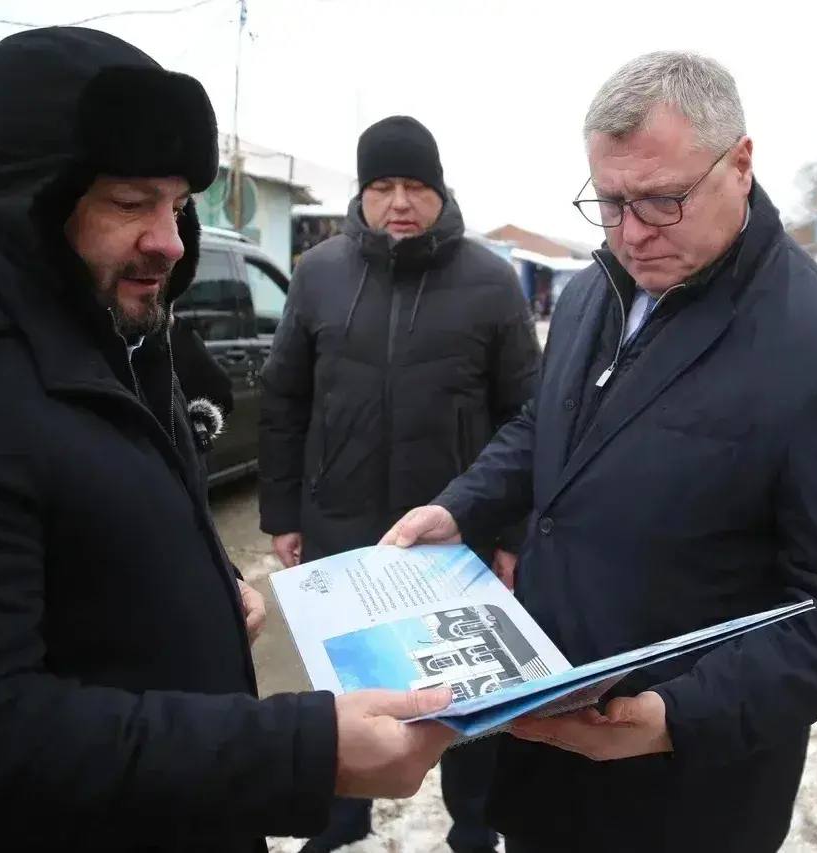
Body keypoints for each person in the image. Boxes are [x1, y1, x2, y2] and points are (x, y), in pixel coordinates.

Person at [379, 51, 817, 853]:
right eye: (610, 201)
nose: (631, 233)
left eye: (663, 200)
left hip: (685, 795)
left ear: (740, 163)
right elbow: (548, 426)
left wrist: (678, 716)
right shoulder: (592, 291)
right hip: (544, 755)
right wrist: (462, 507)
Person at [0, 28, 454, 853]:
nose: (172, 241)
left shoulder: (109, 321)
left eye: (179, 203)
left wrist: (209, 586)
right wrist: (304, 750)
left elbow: (97, 523)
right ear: (28, 197)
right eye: (130, 202)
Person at [258, 115, 540, 853]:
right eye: (382, 186)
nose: (400, 202)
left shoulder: (490, 282)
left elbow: (527, 415)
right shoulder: (320, 274)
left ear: (441, 191)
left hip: (455, 533)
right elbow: (285, 398)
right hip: (341, 523)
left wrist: (510, 533)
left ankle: (474, 827)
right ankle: (343, 817)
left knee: (469, 694)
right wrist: (284, 511)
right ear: (362, 194)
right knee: (347, 686)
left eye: (416, 185)